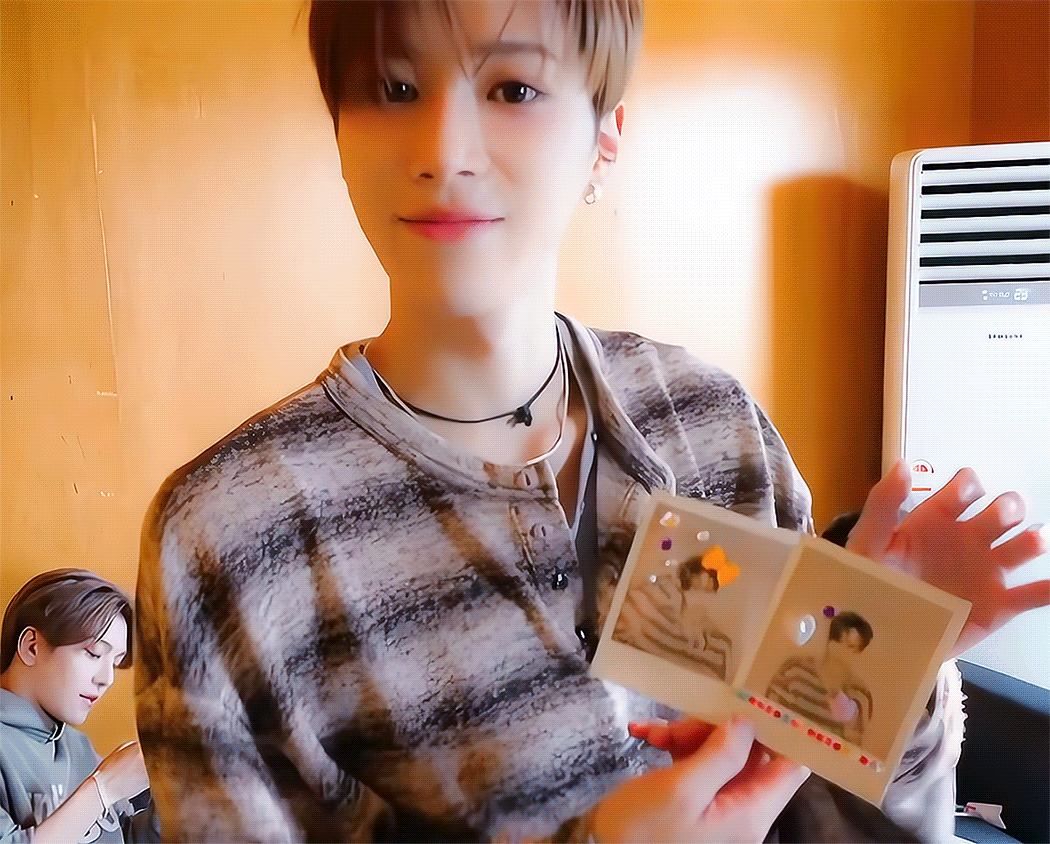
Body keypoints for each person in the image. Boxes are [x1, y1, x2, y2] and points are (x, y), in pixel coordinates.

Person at [134, 1, 1050, 842]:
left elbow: (846, 807)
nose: (444, 150)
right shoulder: (228, 536)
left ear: (606, 138)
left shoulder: (709, 423)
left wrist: (889, 661)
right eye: (394, 88)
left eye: (513, 89)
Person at [1, 569, 157, 844]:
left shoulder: (80, 748)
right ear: (31, 646)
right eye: (94, 654)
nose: (107, 679)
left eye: (115, 662)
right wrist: (101, 790)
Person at [766, 611, 875, 747]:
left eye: (855, 647)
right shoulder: (794, 668)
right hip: (781, 747)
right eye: (842, 641)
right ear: (830, 640)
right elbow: (769, 713)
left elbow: (852, 745)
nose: (847, 652)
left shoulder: (861, 694)